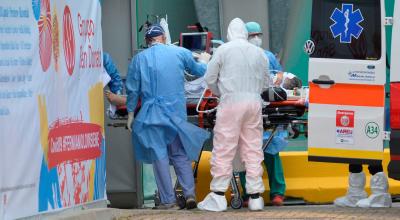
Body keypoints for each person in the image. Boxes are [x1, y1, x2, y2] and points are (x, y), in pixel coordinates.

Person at [125, 24, 211, 210]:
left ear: (147, 41)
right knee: (179, 154)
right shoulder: (180, 52)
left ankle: (168, 201)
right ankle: (189, 194)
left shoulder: (139, 59)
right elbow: (199, 71)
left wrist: (131, 113)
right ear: (164, 37)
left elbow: (133, 90)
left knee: (159, 156)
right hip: (175, 114)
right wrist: (204, 61)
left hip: (152, 115)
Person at [197, 18, 269, 212]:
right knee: (253, 148)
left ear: (229, 33)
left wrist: (222, 92)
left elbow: (210, 78)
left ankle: (219, 195)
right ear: (245, 33)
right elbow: (266, 83)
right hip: (254, 103)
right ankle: (255, 197)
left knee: (224, 148)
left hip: (230, 102)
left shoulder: (223, 50)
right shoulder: (259, 52)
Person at [238, 21, 287, 206]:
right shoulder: (237, 56)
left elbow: (280, 75)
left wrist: (275, 82)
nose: (256, 38)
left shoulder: (267, 56)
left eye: (258, 34)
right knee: (243, 153)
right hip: (245, 108)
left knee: (270, 151)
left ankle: (277, 193)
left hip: (265, 108)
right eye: (252, 35)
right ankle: (247, 194)